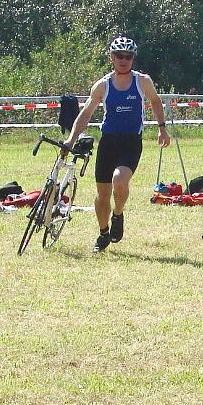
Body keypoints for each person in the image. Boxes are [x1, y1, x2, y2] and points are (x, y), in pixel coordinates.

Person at [63, 36, 171, 252]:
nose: (124, 60)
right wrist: (70, 140)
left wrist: (162, 128)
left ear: (133, 59)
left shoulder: (143, 81)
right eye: (120, 56)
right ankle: (103, 233)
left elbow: (156, 102)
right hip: (108, 142)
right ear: (112, 57)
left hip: (131, 142)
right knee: (102, 194)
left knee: (119, 181)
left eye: (128, 56)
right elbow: (85, 114)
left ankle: (118, 214)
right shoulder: (103, 85)